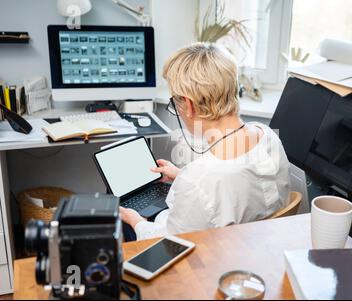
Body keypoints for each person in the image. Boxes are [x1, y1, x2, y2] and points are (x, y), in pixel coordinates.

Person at [120, 42, 291, 240]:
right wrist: (181, 174)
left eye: (175, 102)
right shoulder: (268, 136)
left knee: (126, 223)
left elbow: (170, 246)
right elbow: (236, 184)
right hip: (261, 246)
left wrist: (136, 221)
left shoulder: (199, 180)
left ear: (189, 106)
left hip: (215, 260)